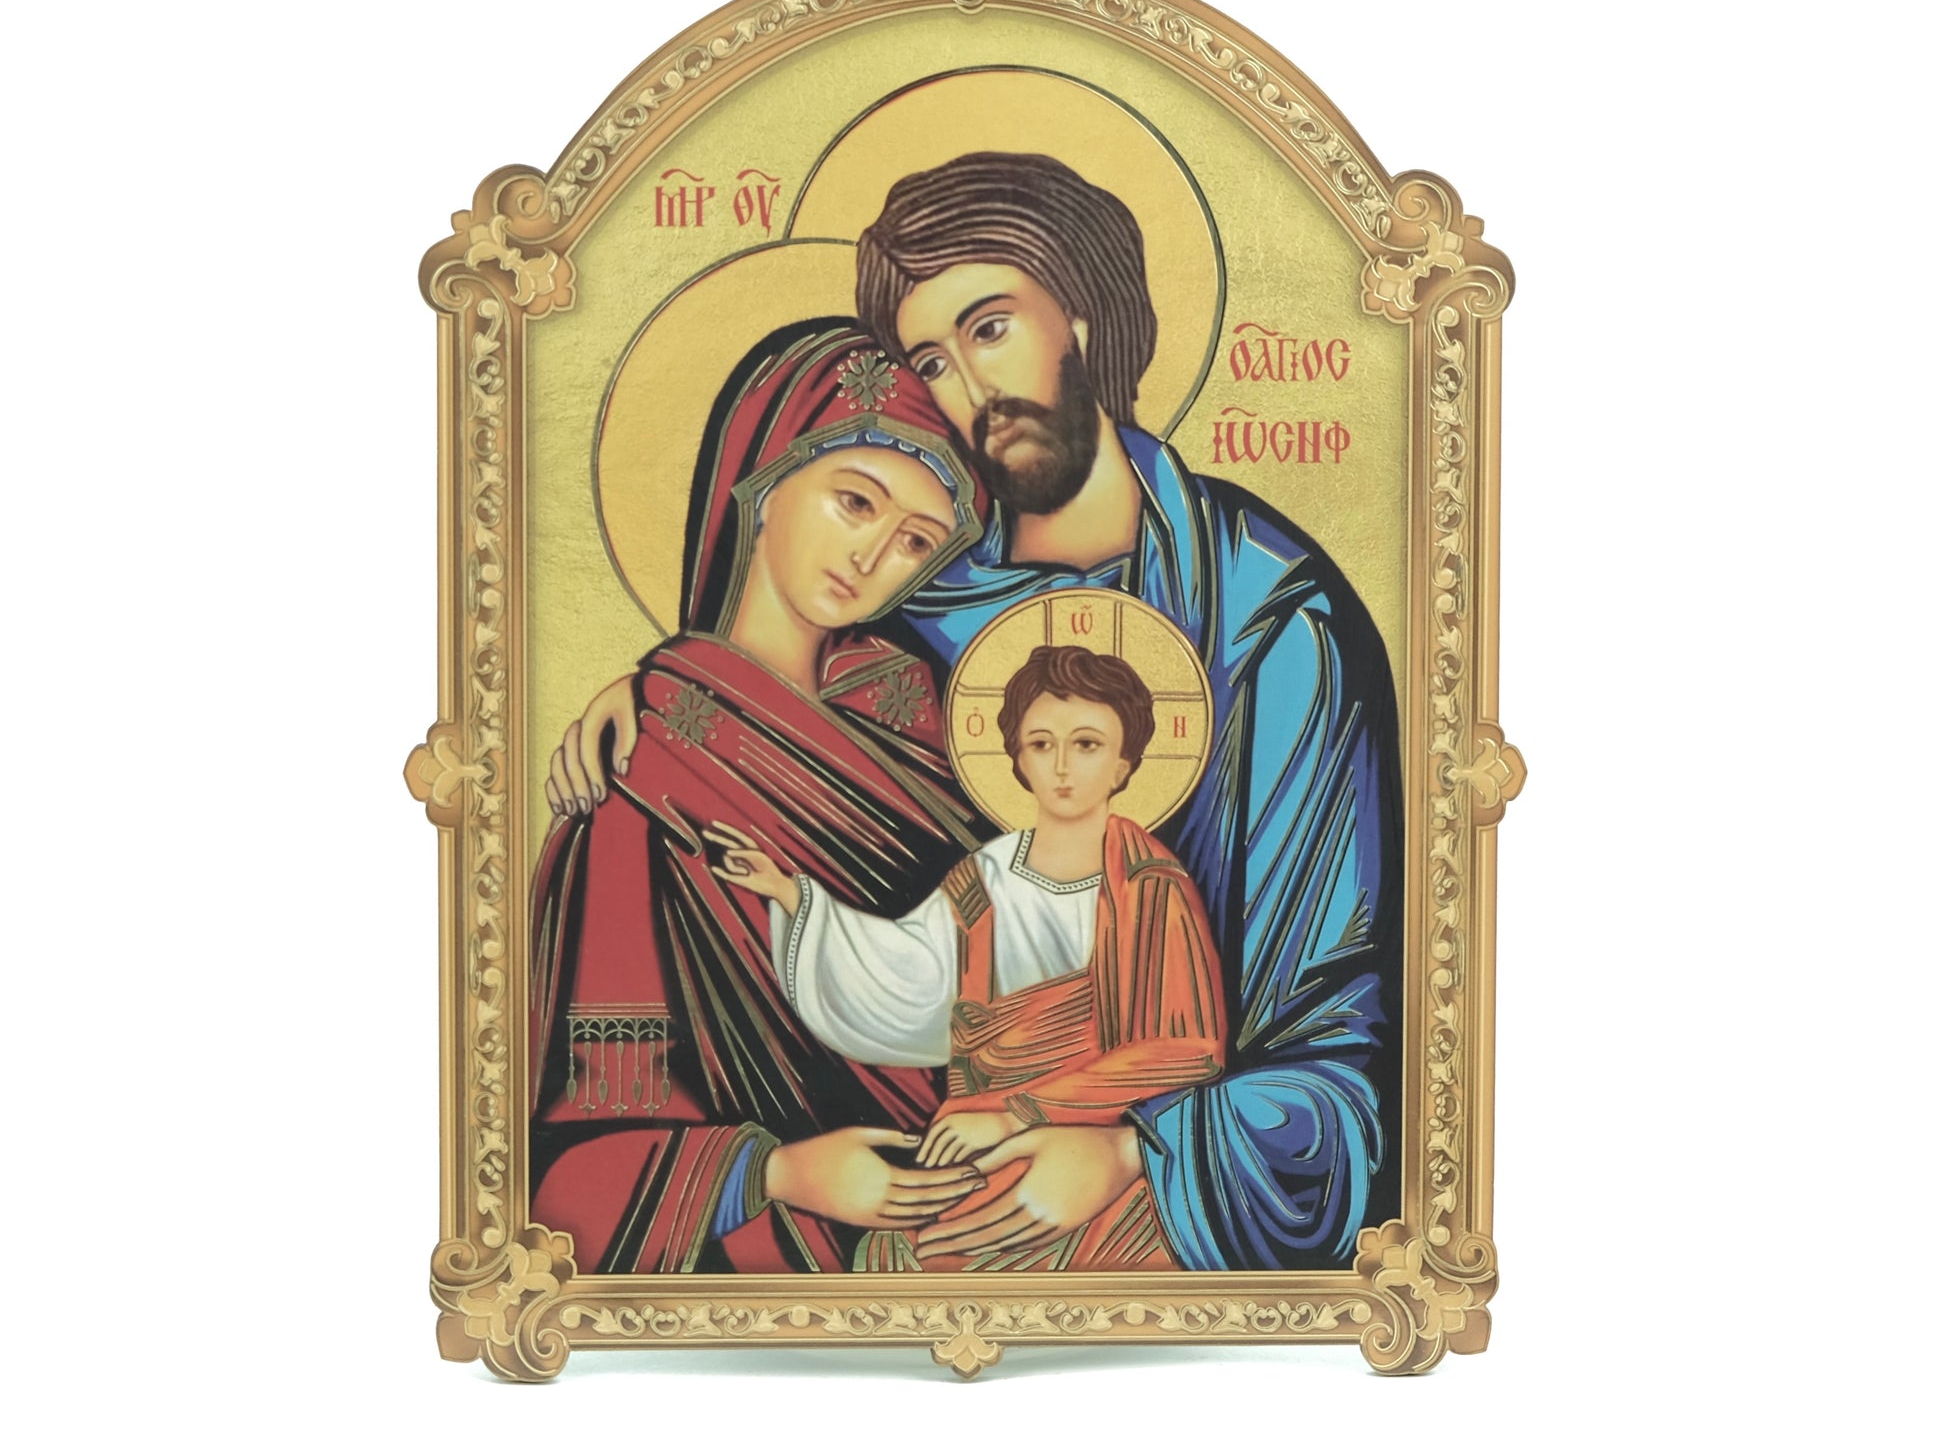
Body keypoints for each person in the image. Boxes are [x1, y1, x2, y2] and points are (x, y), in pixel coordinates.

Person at [554, 151, 1403, 1271]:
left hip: (1155, 1161)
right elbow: (780, 713)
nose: (968, 390)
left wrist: (1133, 1150)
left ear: (1083, 316)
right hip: (930, 1164)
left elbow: (1338, 1047)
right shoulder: (916, 610)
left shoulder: (1270, 620)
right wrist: (659, 691)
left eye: (990, 328)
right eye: (931, 363)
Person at [528, 319, 998, 1273]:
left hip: (988, 1194)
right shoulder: (636, 785)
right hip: (789, 1252)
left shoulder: (932, 723)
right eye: (854, 502)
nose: (871, 558)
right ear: (764, 476)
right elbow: (568, 1186)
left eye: (914, 540)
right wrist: (778, 1173)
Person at [709, 644, 1225, 1271]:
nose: (1062, 766)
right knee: (894, 1258)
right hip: (971, 1140)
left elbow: (1187, 1050)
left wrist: (1018, 1114)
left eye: (1087, 744)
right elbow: (909, 971)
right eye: (1041, 744)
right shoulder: (984, 877)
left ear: (1124, 764)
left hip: (1085, 1151)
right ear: (1018, 759)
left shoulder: (1149, 885)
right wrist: (791, 895)